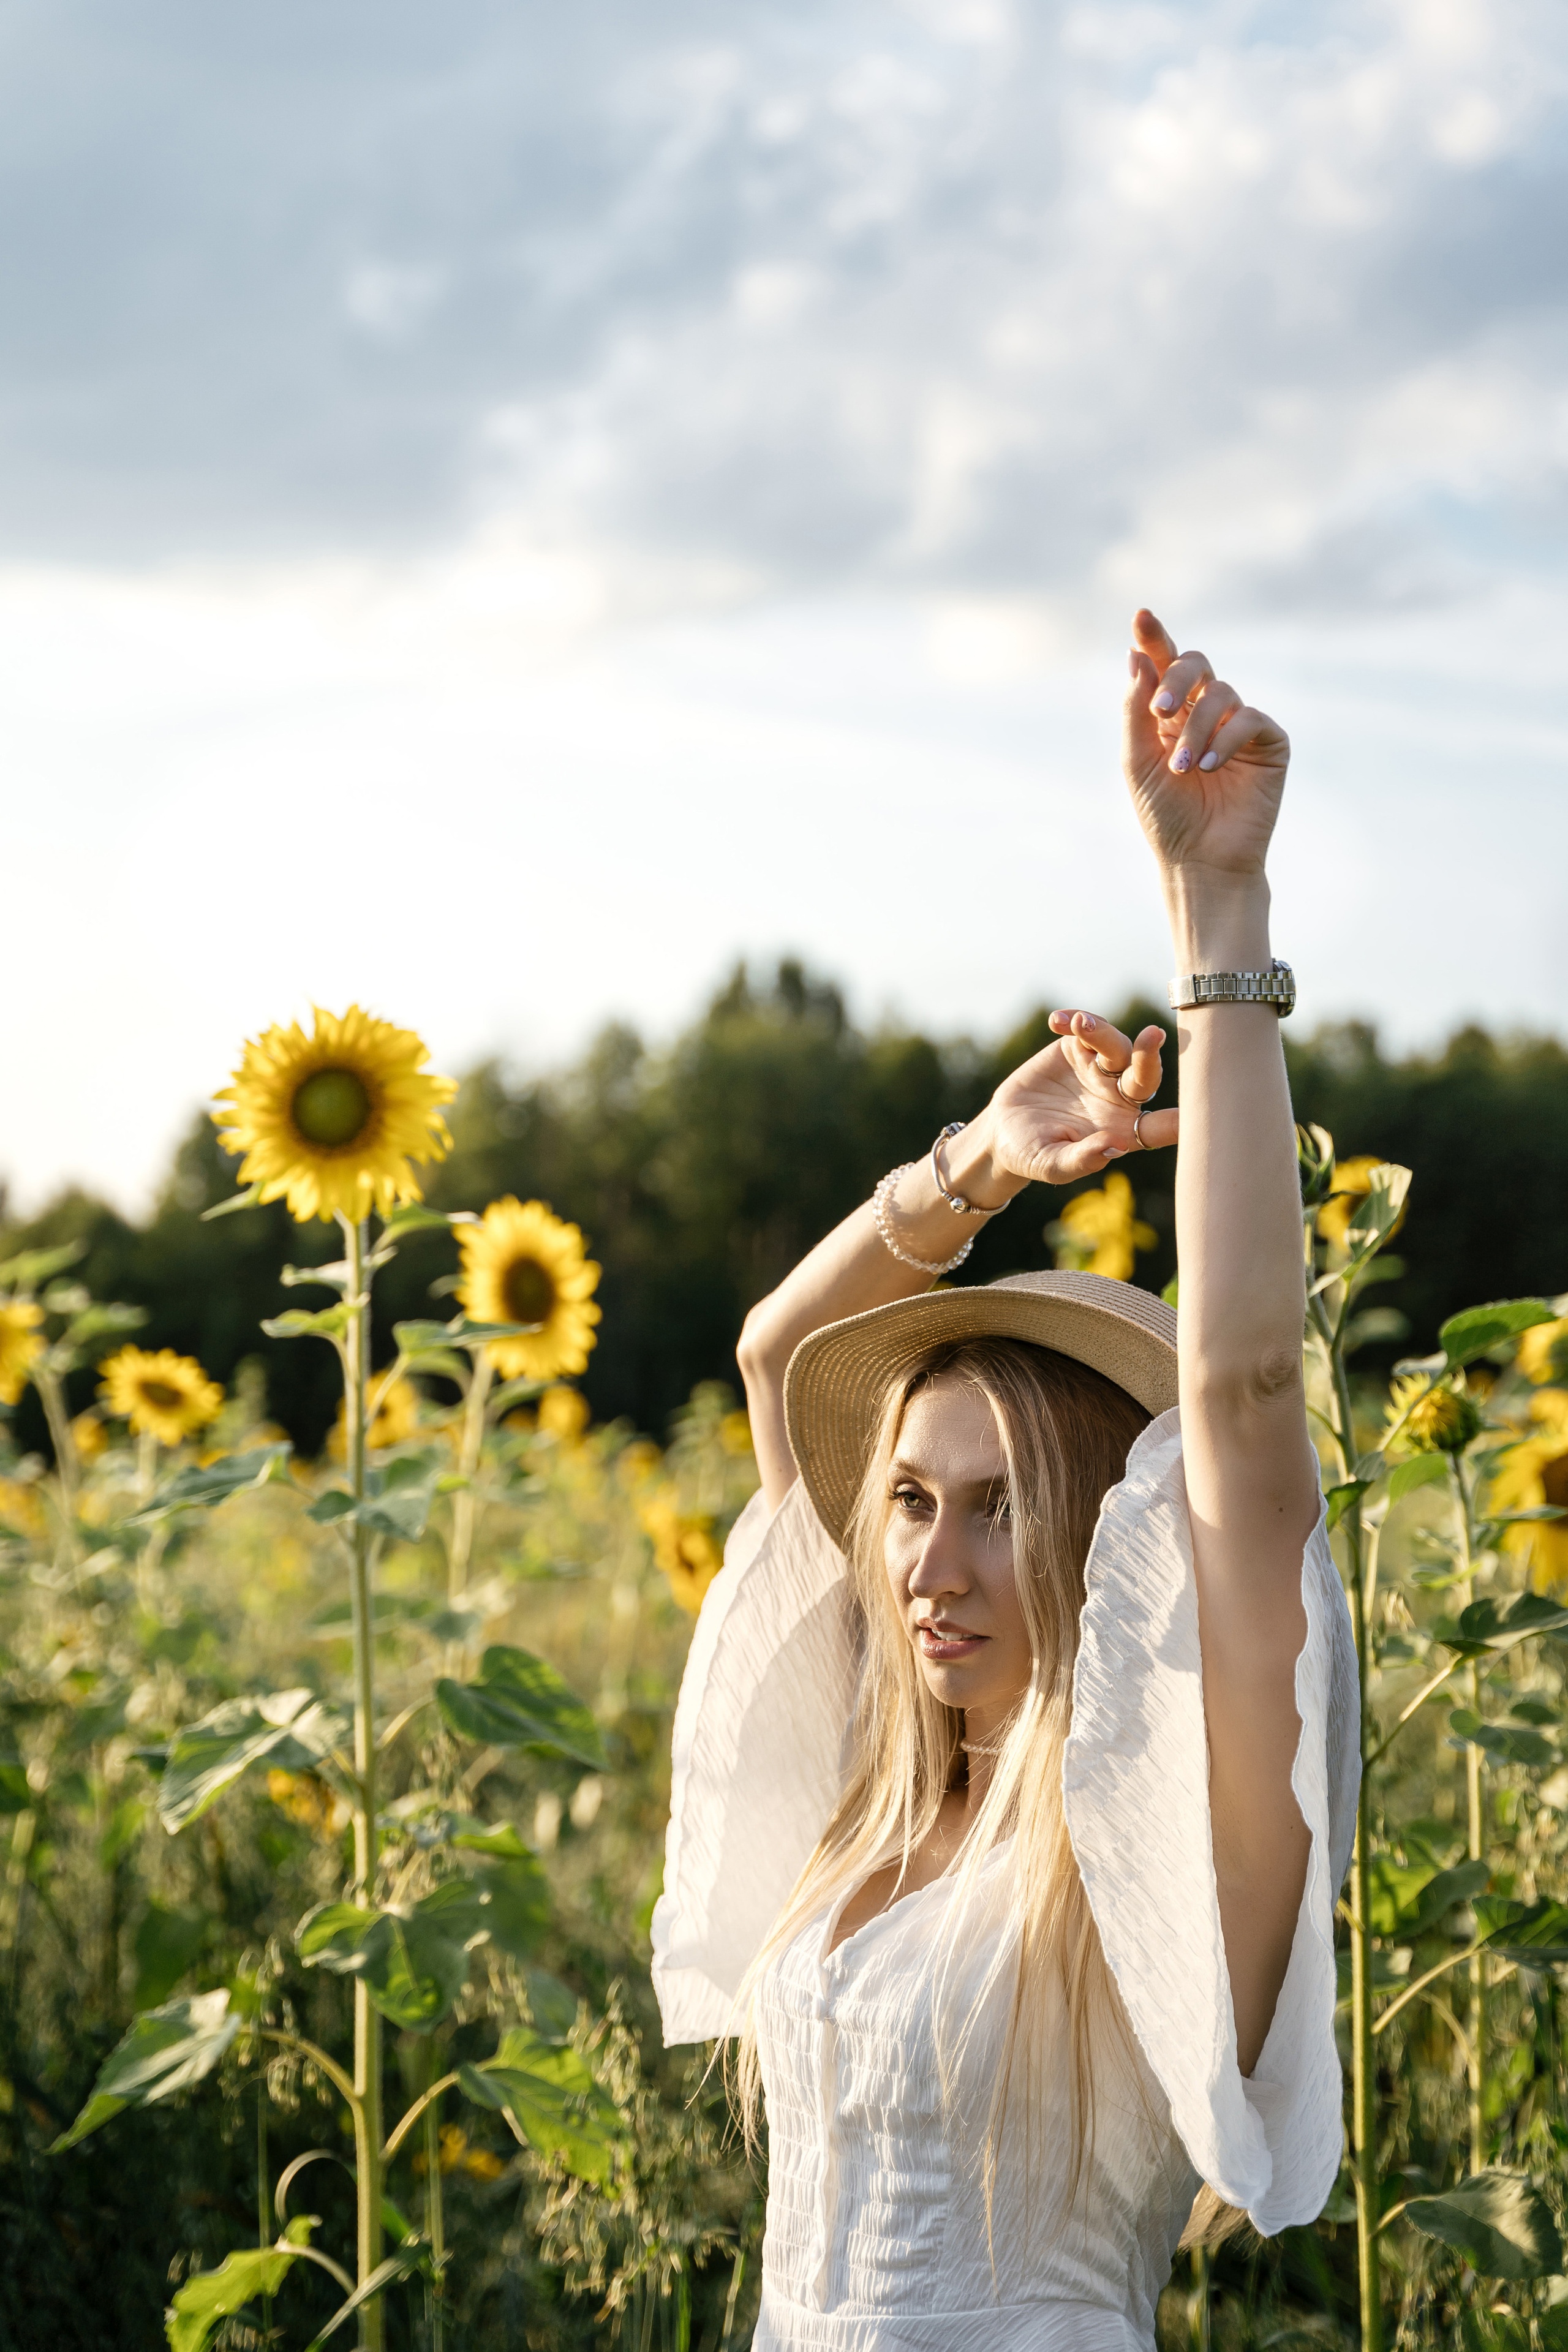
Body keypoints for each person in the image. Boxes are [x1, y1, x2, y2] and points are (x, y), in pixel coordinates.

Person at [651, 611, 1359, 2352]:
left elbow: (1248, 1390)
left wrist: (1222, 929)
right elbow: (774, 1355)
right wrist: (971, 1166)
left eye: (998, 1508)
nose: (931, 1566)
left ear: (1106, 1552)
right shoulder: (872, 1793)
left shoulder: (1162, 1827)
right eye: (908, 1501)